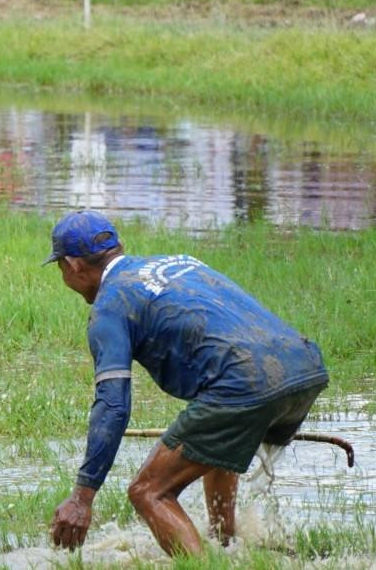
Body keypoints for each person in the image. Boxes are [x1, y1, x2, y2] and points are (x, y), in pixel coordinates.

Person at [45, 210, 329, 558]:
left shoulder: (110, 306)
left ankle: (203, 566)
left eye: (60, 267)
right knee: (218, 440)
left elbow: (113, 405)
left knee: (148, 491)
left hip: (245, 382)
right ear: (119, 247)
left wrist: (82, 497)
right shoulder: (178, 261)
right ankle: (225, 544)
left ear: (73, 266)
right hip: (303, 366)